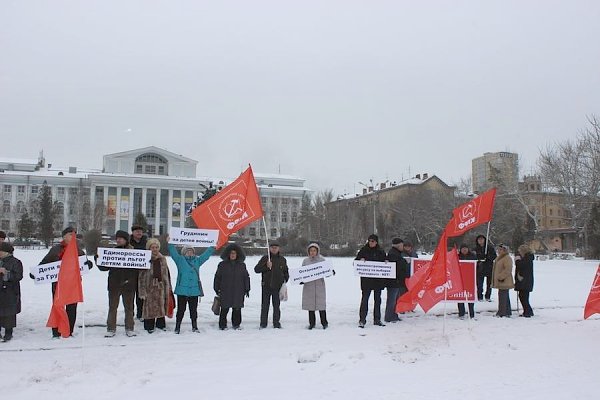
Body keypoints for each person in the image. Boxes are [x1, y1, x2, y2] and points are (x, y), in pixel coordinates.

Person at [39, 227, 93, 338]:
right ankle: (56, 331)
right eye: (70, 234)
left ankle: (69, 331)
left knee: (72, 308)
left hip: (73, 285)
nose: (73, 237)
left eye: (74, 235)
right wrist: (37, 272)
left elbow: (84, 264)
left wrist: (89, 264)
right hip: (58, 284)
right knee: (58, 306)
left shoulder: (78, 250)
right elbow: (45, 263)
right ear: (64, 236)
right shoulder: (55, 250)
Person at [96, 230, 138, 337]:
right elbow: (103, 268)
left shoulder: (134, 253)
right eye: (117, 238)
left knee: (129, 308)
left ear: (126, 240)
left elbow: (139, 268)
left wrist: (147, 262)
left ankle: (129, 328)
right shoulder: (112, 252)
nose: (118, 240)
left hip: (129, 285)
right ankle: (111, 328)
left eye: (121, 238)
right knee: (112, 307)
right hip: (114, 284)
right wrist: (98, 259)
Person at [168, 241, 215, 333]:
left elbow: (205, 256)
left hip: (194, 290)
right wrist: (170, 243)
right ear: (184, 252)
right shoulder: (180, 260)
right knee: (181, 310)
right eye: (187, 251)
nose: (190, 252)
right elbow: (173, 253)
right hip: (182, 290)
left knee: (193, 310)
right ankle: (177, 327)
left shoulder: (197, 261)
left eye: (191, 251)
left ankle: (194, 326)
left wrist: (212, 247)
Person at [138, 238, 172, 333]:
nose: (155, 249)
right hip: (149, 286)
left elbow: (166, 273)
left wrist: (167, 286)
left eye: (156, 247)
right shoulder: (145, 259)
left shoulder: (162, 258)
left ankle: (160, 324)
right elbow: (141, 276)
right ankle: (149, 325)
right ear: (149, 248)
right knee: (149, 306)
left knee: (161, 304)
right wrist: (142, 290)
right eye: (153, 247)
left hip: (161, 286)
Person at [214, 244, 250, 330]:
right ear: (228, 254)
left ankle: (236, 324)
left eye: (234, 253)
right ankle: (222, 325)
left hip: (238, 290)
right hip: (225, 290)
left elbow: (246, 277)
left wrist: (247, 288)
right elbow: (217, 277)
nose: (233, 255)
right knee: (224, 308)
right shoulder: (222, 265)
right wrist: (216, 288)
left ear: (237, 254)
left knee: (237, 309)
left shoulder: (242, 265)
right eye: (231, 253)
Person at [254, 242, 289, 329]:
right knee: (265, 305)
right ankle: (263, 323)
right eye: (272, 247)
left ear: (278, 249)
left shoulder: (282, 259)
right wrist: (266, 266)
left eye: (276, 247)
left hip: (277, 286)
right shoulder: (265, 258)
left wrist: (285, 280)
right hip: (266, 285)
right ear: (269, 248)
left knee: (276, 306)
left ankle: (276, 323)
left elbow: (286, 271)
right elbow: (256, 269)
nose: (274, 249)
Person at [356, 234, 387, 328]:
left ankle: (377, 319)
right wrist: (360, 260)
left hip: (378, 280)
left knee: (377, 300)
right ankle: (362, 320)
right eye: (369, 241)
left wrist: (386, 262)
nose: (371, 243)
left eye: (373, 241)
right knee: (365, 299)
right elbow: (356, 262)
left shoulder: (381, 251)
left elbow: (385, 262)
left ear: (376, 242)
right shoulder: (363, 250)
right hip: (366, 280)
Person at [301, 243, 329, 329]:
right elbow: (301, 272)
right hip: (309, 286)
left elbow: (327, 271)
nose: (312, 252)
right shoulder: (305, 261)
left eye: (314, 251)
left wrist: (330, 271)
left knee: (321, 305)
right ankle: (312, 323)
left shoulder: (322, 260)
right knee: (310, 305)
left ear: (317, 251)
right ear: (308, 252)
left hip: (319, 285)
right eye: (311, 251)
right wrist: (301, 280)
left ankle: (324, 323)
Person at [0, 242, 23, 342]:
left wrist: (6, 273)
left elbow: (18, 276)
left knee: (9, 313)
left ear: (6, 252)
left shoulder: (16, 262)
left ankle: (8, 333)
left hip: (10, 292)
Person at [385, 238, 410, 323]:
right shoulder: (393, 254)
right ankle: (389, 316)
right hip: (393, 281)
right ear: (399, 245)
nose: (403, 247)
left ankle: (394, 315)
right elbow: (397, 266)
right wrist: (404, 262)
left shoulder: (396, 253)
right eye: (402, 245)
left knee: (395, 300)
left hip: (397, 281)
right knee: (392, 300)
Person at [130, 225, 147, 320]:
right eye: (137, 231)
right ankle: (130, 314)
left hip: (143, 273)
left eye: (140, 231)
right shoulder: (128, 242)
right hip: (130, 273)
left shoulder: (146, 243)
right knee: (130, 295)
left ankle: (140, 313)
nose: (139, 233)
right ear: (133, 232)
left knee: (141, 295)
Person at [492, 243, 514, 317]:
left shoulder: (507, 258)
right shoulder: (500, 257)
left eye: (500, 249)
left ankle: (502, 312)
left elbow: (508, 269)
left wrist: (501, 277)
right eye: (498, 249)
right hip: (501, 280)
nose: (499, 251)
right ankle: (507, 311)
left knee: (503, 297)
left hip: (504, 280)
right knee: (504, 296)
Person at [514, 244, 534, 318]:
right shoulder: (527, 257)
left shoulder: (527, 257)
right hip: (525, 280)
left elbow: (521, 266)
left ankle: (528, 311)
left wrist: (517, 260)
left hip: (525, 280)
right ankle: (528, 311)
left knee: (523, 297)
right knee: (523, 296)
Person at [457, 243, 476, 319]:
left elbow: (476, 267)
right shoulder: (457, 257)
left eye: (466, 248)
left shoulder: (473, 256)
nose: (464, 250)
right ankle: (461, 313)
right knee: (460, 296)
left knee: (470, 296)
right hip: (460, 279)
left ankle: (471, 313)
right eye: (463, 248)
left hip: (470, 280)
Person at [475, 235, 496, 301]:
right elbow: (473, 257)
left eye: (482, 239)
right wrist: (480, 258)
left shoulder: (490, 248)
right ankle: (480, 296)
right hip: (480, 268)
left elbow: (494, 256)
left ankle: (488, 296)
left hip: (489, 268)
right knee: (479, 284)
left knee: (489, 284)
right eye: (479, 239)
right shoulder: (475, 249)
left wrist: (488, 257)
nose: (480, 241)